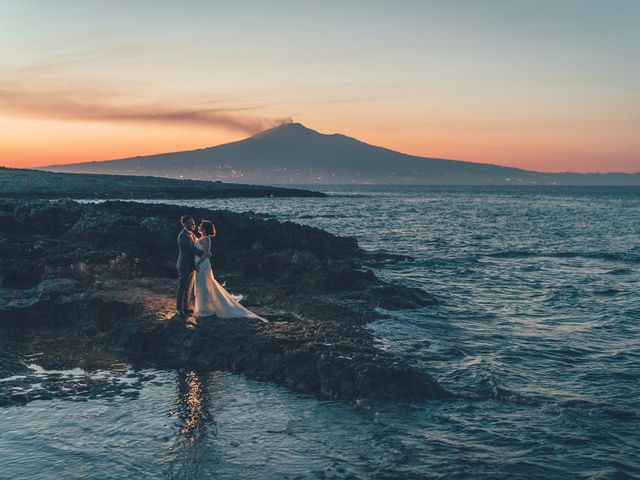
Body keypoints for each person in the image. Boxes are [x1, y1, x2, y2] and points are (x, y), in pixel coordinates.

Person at [192, 220, 266, 322]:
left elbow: (206, 254)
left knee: (204, 286)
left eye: (200, 226)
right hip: (201, 263)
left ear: (204, 228)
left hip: (202, 264)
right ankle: (205, 307)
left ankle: (205, 309)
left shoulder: (206, 238)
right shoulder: (202, 237)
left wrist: (197, 263)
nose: (198, 227)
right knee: (202, 285)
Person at [176, 215, 206, 317]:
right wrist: (204, 254)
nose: (193, 225)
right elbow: (191, 249)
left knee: (189, 288)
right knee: (182, 288)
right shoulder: (182, 235)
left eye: (193, 223)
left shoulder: (191, 234)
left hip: (191, 265)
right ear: (185, 224)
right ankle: (179, 309)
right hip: (184, 265)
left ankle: (186, 307)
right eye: (191, 223)